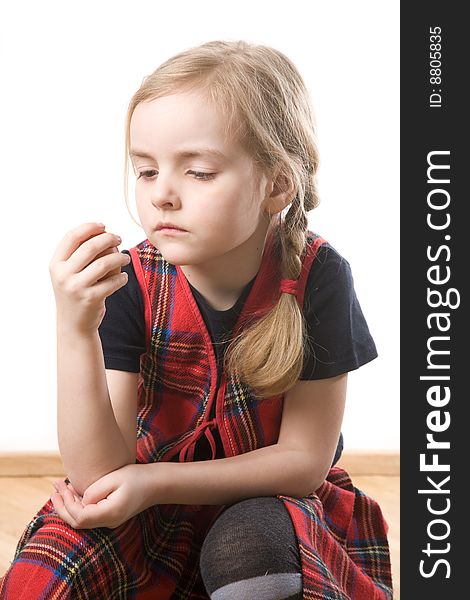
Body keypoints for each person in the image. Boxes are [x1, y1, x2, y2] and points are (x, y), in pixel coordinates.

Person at [0, 40, 392, 599]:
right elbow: (99, 474)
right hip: (147, 507)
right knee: (52, 562)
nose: (162, 195)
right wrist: (75, 327)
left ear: (277, 184)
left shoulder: (318, 276)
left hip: (273, 506)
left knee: (249, 546)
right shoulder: (133, 279)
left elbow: (303, 463)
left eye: (200, 173)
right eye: (145, 170)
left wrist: (152, 481)